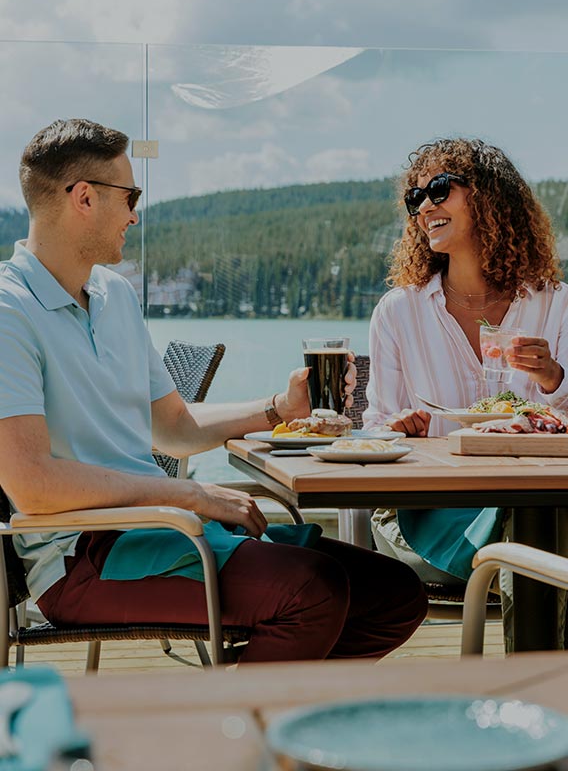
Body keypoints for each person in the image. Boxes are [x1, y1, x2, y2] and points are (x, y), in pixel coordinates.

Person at [0, 118, 427, 664]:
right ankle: (234, 734)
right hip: (84, 558)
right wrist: (190, 495)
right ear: (84, 197)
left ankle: (266, 703)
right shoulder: (11, 312)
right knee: (312, 591)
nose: (135, 213)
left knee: (394, 595)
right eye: (130, 195)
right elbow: (32, 486)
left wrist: (277, 409)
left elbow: (174, 429)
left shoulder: (113, 296)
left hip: (163, 530)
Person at [363, 137, 568, 646]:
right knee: (537, 527)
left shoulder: (556, 304)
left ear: (491, 197)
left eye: (438, 189)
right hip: (430, 509)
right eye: (415, 199)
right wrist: (395, 430)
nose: (425, 205)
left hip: (544, 500)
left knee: (538, 516)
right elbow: (373, 428)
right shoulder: (400, 310)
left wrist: (554, 380)